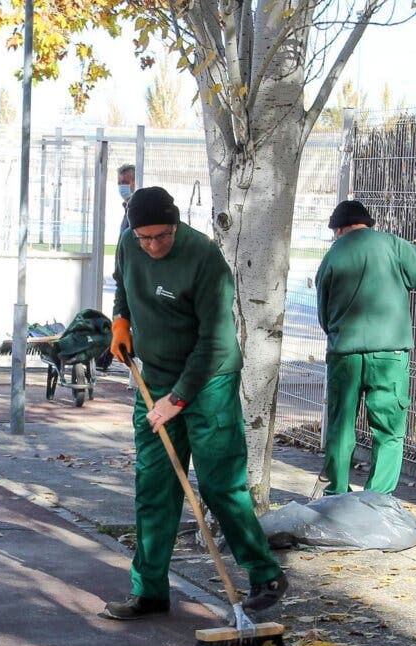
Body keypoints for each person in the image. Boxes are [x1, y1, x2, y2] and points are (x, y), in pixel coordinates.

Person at [100, 186, 286, 621]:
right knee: (154, 485)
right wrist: (121, 322)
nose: (151, 245)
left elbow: (215, 342)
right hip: (157, 376)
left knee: (221, 484)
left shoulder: (204, 259)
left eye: (160, 236)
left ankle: (265, 574)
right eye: (143, 237)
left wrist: (177, 400)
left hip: (209, 383)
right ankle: (149, 590)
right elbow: (122, 287)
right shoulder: (129, 244)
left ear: (176, 224)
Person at [315, 200, 416, 496]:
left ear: (339, 230)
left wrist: (339, 337)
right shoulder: (394, 245)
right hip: (390, 355)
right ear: (367, 224)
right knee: (388, 430)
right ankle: (377, 500)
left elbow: (324, 315)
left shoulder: (332, 256)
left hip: (345, 355)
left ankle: (336, 493)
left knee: (340, 426)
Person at [95, 164, 139, 374]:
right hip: (124, 274)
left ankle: (109, 355)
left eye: (126, 182)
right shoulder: (127, 209)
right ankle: (110, 354)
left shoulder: (138, 211)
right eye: (120, 183)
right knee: (120, 316)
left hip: (133, 276)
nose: (122, 187)